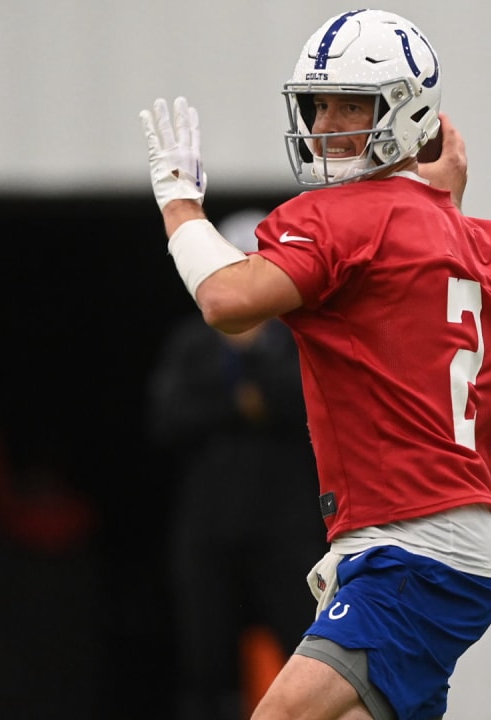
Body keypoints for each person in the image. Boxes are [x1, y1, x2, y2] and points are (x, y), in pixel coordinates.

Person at [138, 9, 491, 720]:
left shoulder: (350, 217)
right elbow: (413, 276)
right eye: (320, 103)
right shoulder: (461, 234)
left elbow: (226, 300)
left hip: (411, 547)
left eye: (353, 103)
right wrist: (443, 196)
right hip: (439, 544)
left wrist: (178, 202)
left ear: (408, 111)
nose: (328, 122)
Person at [149, 212, 324, 720]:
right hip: (208, 529)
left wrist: (239, 398)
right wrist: (241, 404)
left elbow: (310, 406)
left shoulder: (303, 337)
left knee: (306, 655)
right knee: (205, 663)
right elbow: (165, 417)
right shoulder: (192, 342)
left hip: (286, 528)